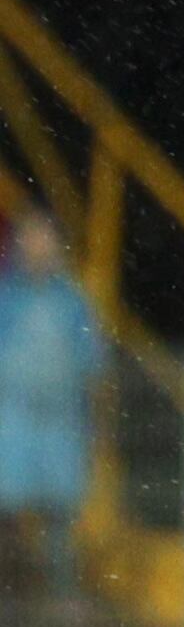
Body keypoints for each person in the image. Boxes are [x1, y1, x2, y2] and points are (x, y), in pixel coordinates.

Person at [0, 218, 104, 602]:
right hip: (11, 423)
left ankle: (58, 598)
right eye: (31, 240)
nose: (38, 249)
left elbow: (94, 366)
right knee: (7, 514)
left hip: (61, 426)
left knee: (59, 518)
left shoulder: (72, 302)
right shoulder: (6, 299)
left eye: (45, 241)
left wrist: (98, 427)